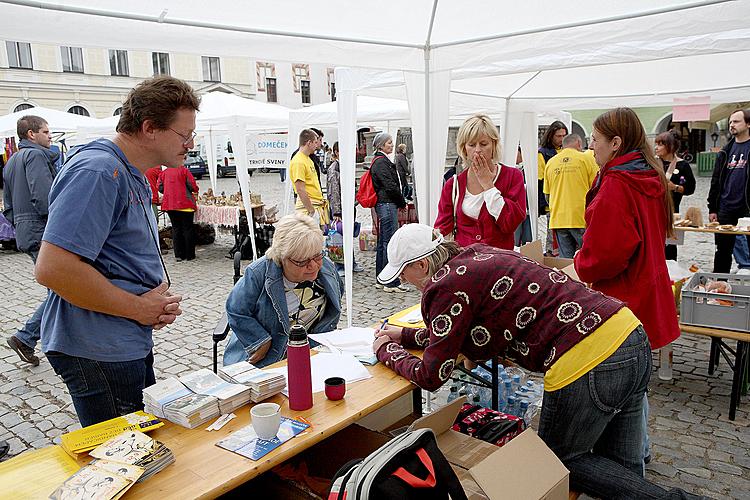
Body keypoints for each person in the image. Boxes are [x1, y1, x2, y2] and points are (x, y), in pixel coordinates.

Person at [373, 224, 701, 500]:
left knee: (558, 461)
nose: (406, 283)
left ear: (422, 264)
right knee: (622, 468)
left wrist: (384, 351)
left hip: (585, 358)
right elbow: (448, 338)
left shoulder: (443, 287)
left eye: (404, 274)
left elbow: (431, 374)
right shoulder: (472, 257)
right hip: (627, 332)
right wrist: (401, 337)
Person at [34, 76, 193, 426]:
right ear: (150, 128)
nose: (190, 144)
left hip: (120, 342)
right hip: (100, 349)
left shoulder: (129, 172)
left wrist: (149, 306)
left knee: (142, 442)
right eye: (185, 135)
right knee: (124, 456)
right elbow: (53, 268)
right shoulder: (99, 171)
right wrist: (139, 308)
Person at [574, 107, 680, 467]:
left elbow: (606, 255)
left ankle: (630, 464)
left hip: (623, 299)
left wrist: (580, 262)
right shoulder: (645, 174)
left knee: (622, 389)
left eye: (595, 140)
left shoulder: (620, 183)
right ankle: (642, 449)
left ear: (616, 143)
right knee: (637, 381)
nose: (591, 147)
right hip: (644, 289)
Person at [224, 213, 343, 367]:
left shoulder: (326, 267)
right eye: (302, 261)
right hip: (269, 359)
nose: (313, 266)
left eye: (317, 256)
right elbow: (235, 308)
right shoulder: (259, 273)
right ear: (282, 257)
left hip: (311, 354)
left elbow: (336, 295)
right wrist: (260, 341)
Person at [3, 115, 58, 366]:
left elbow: (9, 206)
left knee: (60, 289)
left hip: (27, 230)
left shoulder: (12, 161)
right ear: (31, 135)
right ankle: (26, 337)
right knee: (62, 290)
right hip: (41, 229)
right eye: (46, 132)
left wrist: (20, 226)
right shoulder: (35, 156)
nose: (50, 136)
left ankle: (33, 338)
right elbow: (45, 198)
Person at [434, 114, 526, 250]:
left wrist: (488, 186)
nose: (477, 150)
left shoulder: (513, 176)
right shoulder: (453, 185)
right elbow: (441, 231)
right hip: (464, 265)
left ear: (494, 145)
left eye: (483, 144)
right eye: (471, 144)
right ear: (464, 148)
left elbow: (510, 223)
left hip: (500, 264)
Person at [543, 133, 599, 258]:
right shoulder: (586, 159)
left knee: (566, 262)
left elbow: (547, 194)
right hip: (581, 217)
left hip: (558, 220)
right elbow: (596, 189)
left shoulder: (551, 163)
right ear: (579, 144)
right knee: (588, 257)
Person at [708, 109, 750, 273]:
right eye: (731, 122)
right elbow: (716, 180)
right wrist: (713, 208)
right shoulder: (726, 150)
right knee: (722, 251)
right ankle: (720, 286)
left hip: (747, 208)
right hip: (726, 208)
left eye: (736, 121)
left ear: (748, 124)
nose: (732, 125)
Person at [370, 131, 408, 292]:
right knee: (388, 243)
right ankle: (390, 281)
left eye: (391, 142)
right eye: (388, 143)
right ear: (380, 145)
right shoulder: (381, 162)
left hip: (385, 203)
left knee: (383, 242)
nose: (391, 145)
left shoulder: (381, 161)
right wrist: (401, 201)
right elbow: (390, 185)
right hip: (386, 204)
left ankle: (381, 278)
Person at [654, 131, 696, 261]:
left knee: (669, 247)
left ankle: (670, 275)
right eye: (656, 144)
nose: (656, 148)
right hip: (652, 210)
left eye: (660, 145)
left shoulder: (682, 165)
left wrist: (675, 187)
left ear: (670, 146)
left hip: (671, 212)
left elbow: (690, 188)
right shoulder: (653, 163)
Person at [326, 141, 364, 274]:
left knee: (347, 236)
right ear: (337, 152)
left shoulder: (345, 166)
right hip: (340, 209)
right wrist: (336, 211)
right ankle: (340, 265)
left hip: (348, 207)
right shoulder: (334, 168)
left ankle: (350, 262)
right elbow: (334, 191)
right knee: (338, 238)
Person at [538, 121, 569, 255]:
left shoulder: (568, 151)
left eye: (564, 136)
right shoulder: (543, 153)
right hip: (553, 200)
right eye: (558, 136)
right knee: (553, 237)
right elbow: (540, 179)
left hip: (568, 199)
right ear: (551, 136)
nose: (562, 139)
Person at [158, 164, 199, 261]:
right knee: (188, 229)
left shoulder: (164, 173)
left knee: (176, 229)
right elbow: (192, 185)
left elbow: (160, 187)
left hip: (170, 204)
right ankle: (189, 255)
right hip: (185, 204)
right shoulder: (184, 171)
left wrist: (169, 191)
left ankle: (179, 255)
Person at [290, 129, 329, 227]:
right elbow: (300, 189)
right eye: (315, 142)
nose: (317, 146)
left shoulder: (308, 159)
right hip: (307, 210)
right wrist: (311, 210)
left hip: (314, 206)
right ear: (309, 143)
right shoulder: (298, 161)